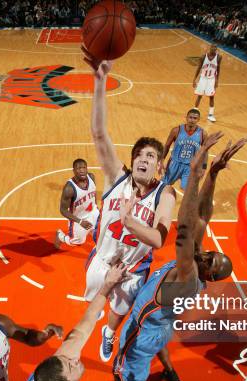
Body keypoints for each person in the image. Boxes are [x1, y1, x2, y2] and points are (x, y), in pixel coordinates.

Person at [95, 136, 247, 381]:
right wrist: (213, 175)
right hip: (163, 327)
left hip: (142, 334)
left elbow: (188, 225)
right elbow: (202, 217)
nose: (206, 255)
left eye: (210, 262)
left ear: (209, 275)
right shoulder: (197, 266)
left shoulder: (188, 274)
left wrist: (194, 174)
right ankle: (168, 370)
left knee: (122, 374)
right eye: (211, 254)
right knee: (162, 340)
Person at [82, 47, 177, 363]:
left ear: (158, 167)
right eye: (139, 154)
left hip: (135, 269)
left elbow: (159, 240)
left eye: (151, 156)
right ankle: (100, 314)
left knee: (117, 314)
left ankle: (109, 333)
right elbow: (98, 134)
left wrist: (130, 220)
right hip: (102, 259)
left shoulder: (165, 195)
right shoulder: (116, 179)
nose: (143, 158)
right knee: (95, 303)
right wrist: (100, 80)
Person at [54, 158, 99, 249]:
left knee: (102, 234)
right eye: (79, 168)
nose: (82, 170)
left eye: (84, 167)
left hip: (93, 213)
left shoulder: (91, 177)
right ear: (74, 171)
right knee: (77, 242)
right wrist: (80, 221)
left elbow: (93, 193)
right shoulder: (69, 188)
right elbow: (63, 210)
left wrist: (96, 207)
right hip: (79, 219)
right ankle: (60, 236)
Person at [162, 108, 210, 190]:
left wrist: (204, 167)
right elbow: (167, 146)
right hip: (174, 163)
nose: (192, 120)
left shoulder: (203, 134)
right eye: (190, 117)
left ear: (198, 119)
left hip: (190, 166)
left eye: (195, 118)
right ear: (186, 117)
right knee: (163, 186)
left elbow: (205, 152)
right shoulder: (176, 130)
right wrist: (161, 160)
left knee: (188, 189)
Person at [192, 44, 221, 122]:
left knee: (211, 97)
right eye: (213, 47)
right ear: (210, 48)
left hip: (211, 79)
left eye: (215, 47)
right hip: (203, 78)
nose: (214, 48)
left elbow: (218, 69)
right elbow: (199, 68)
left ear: (216, 49)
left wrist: (217, 80)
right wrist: (194, 79)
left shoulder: (218, 57)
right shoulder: (203, 56)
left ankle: (210, 115)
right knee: (199, 96)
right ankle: (195, 112)